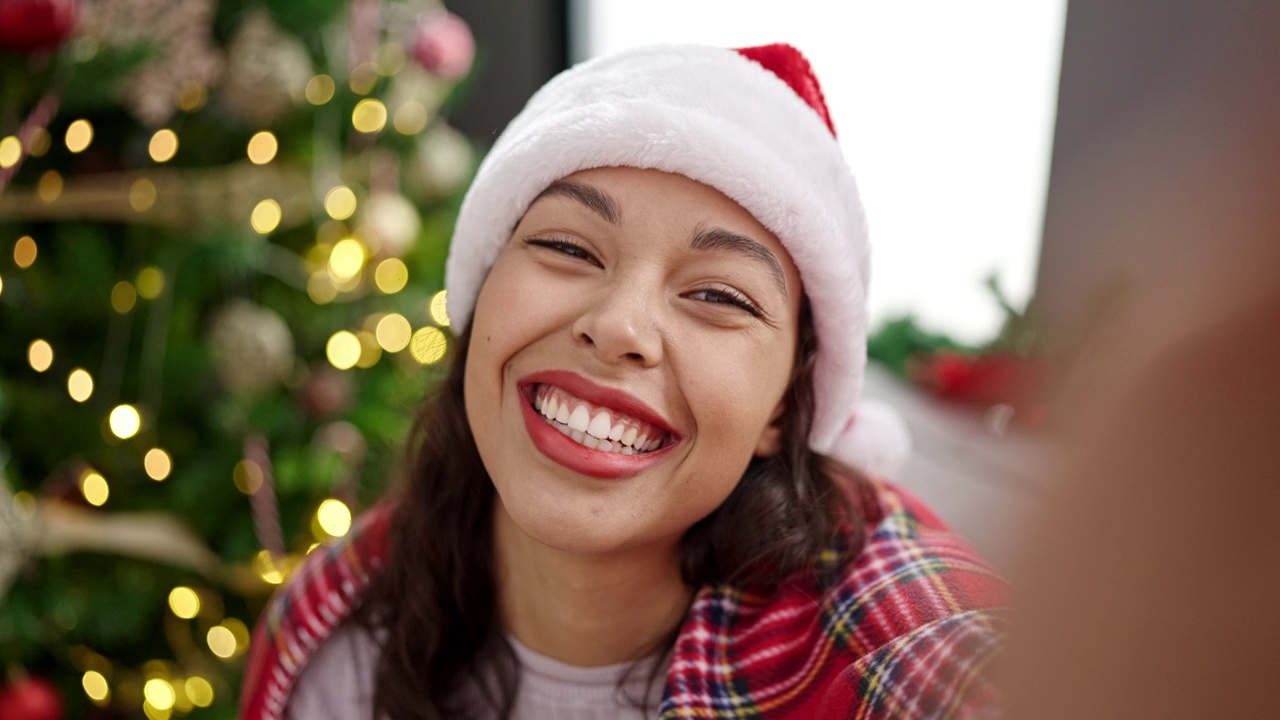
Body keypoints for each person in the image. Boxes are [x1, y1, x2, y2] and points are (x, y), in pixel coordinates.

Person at [241, 43, 1006, 720]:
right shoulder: (335, 632)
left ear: (784, 406)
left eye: (718, 296)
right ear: (480, 297)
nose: (619, 327)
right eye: (569, 247)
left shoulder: (907, 665)